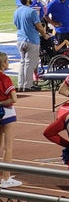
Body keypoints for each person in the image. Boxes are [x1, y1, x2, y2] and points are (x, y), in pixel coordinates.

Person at [14, 0, 48, 91]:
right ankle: (28, 85)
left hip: (20, 39)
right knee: (30, 64)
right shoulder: (32, 11)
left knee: (22, 63)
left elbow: (16, 25)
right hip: (31, 40)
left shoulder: (17, 11)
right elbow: (39, 27)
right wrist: (44, 35)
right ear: (28, 0)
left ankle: (21, 84)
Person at [0, 52, 21, 188]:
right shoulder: (5, 78)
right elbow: (13, 99)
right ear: (3, 63)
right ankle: (6, 179)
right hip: (7, 113)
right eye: (7, 61)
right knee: (8, 147)